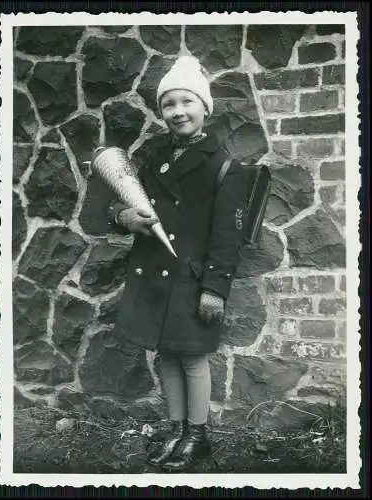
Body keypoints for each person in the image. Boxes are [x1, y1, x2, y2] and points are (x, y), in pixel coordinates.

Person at [108, 56, 267, 471]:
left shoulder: (224, 165)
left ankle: (197, 437)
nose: (177, 111)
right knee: (166, 355)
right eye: (168, 105)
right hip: (157, 276)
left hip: (192, 280)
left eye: (186, 102)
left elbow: (227, 237)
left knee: (193, 357)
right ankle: (177, 430)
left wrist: (215, 289)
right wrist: (125, 218)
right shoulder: (155, 158)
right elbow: (124, 201)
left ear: (204, 108)